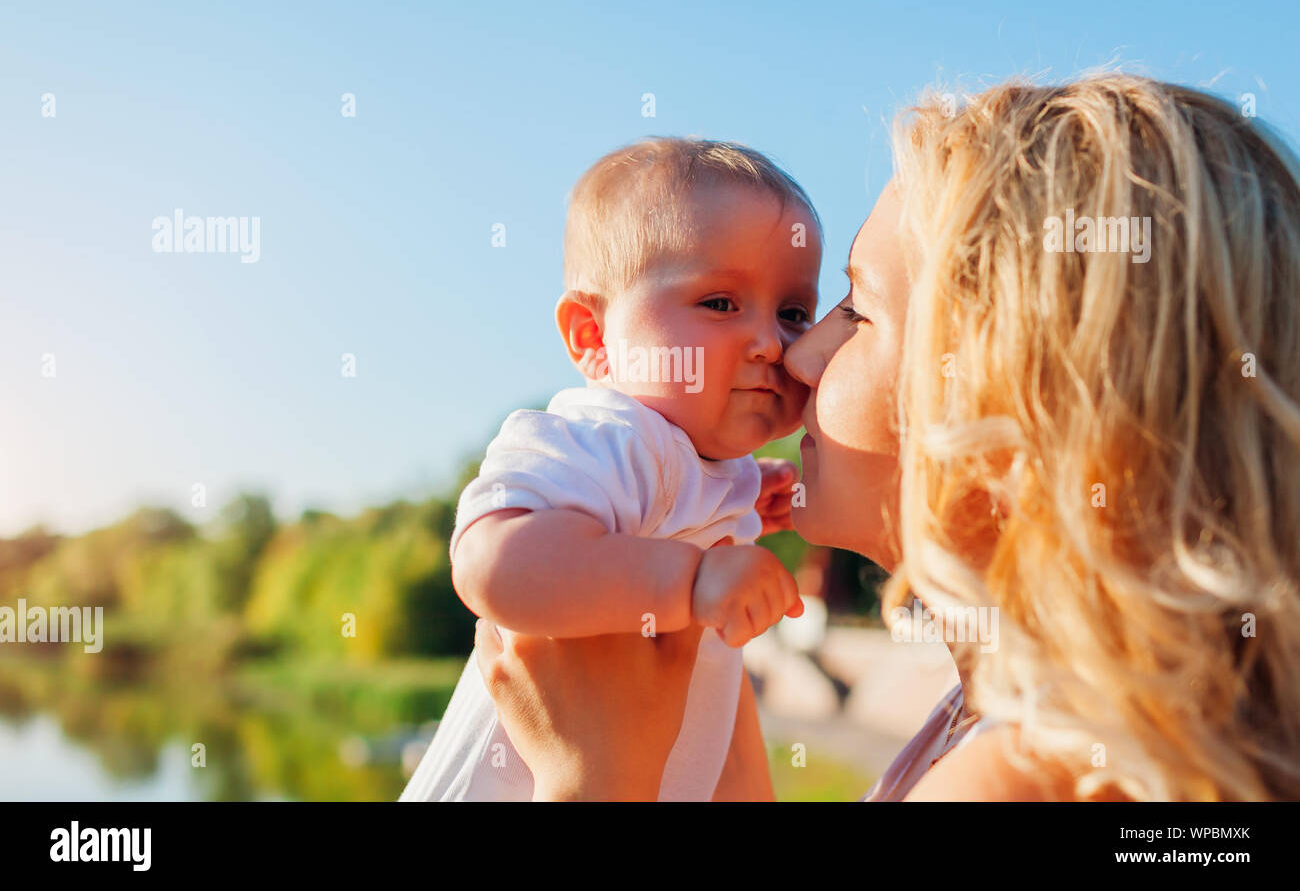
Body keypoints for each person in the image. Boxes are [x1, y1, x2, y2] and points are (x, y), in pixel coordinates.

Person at [474, 75, 1300, 801]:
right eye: (724, 305)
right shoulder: (1012, 724)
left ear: (1009, 395)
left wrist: (595, 785)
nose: (796, 353)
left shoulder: (1018, 781)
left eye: (854, 312)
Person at [400, 137, 821, 801]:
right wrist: (693, 578)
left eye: (794, 312)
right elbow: (490, 562)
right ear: (594, 340)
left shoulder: (696, 472)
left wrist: (744, 498)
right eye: (719, 303)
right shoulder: (611, 438)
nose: (770, 341)